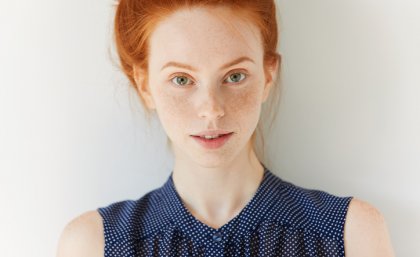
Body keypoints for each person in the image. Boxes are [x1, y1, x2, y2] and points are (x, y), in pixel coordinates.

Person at [56, 0, 395, 256]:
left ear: (268, 75)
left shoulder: (350, 233)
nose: (211, 110)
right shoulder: (95, 244)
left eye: (234, 76)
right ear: (145, 86)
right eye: (182, 79)